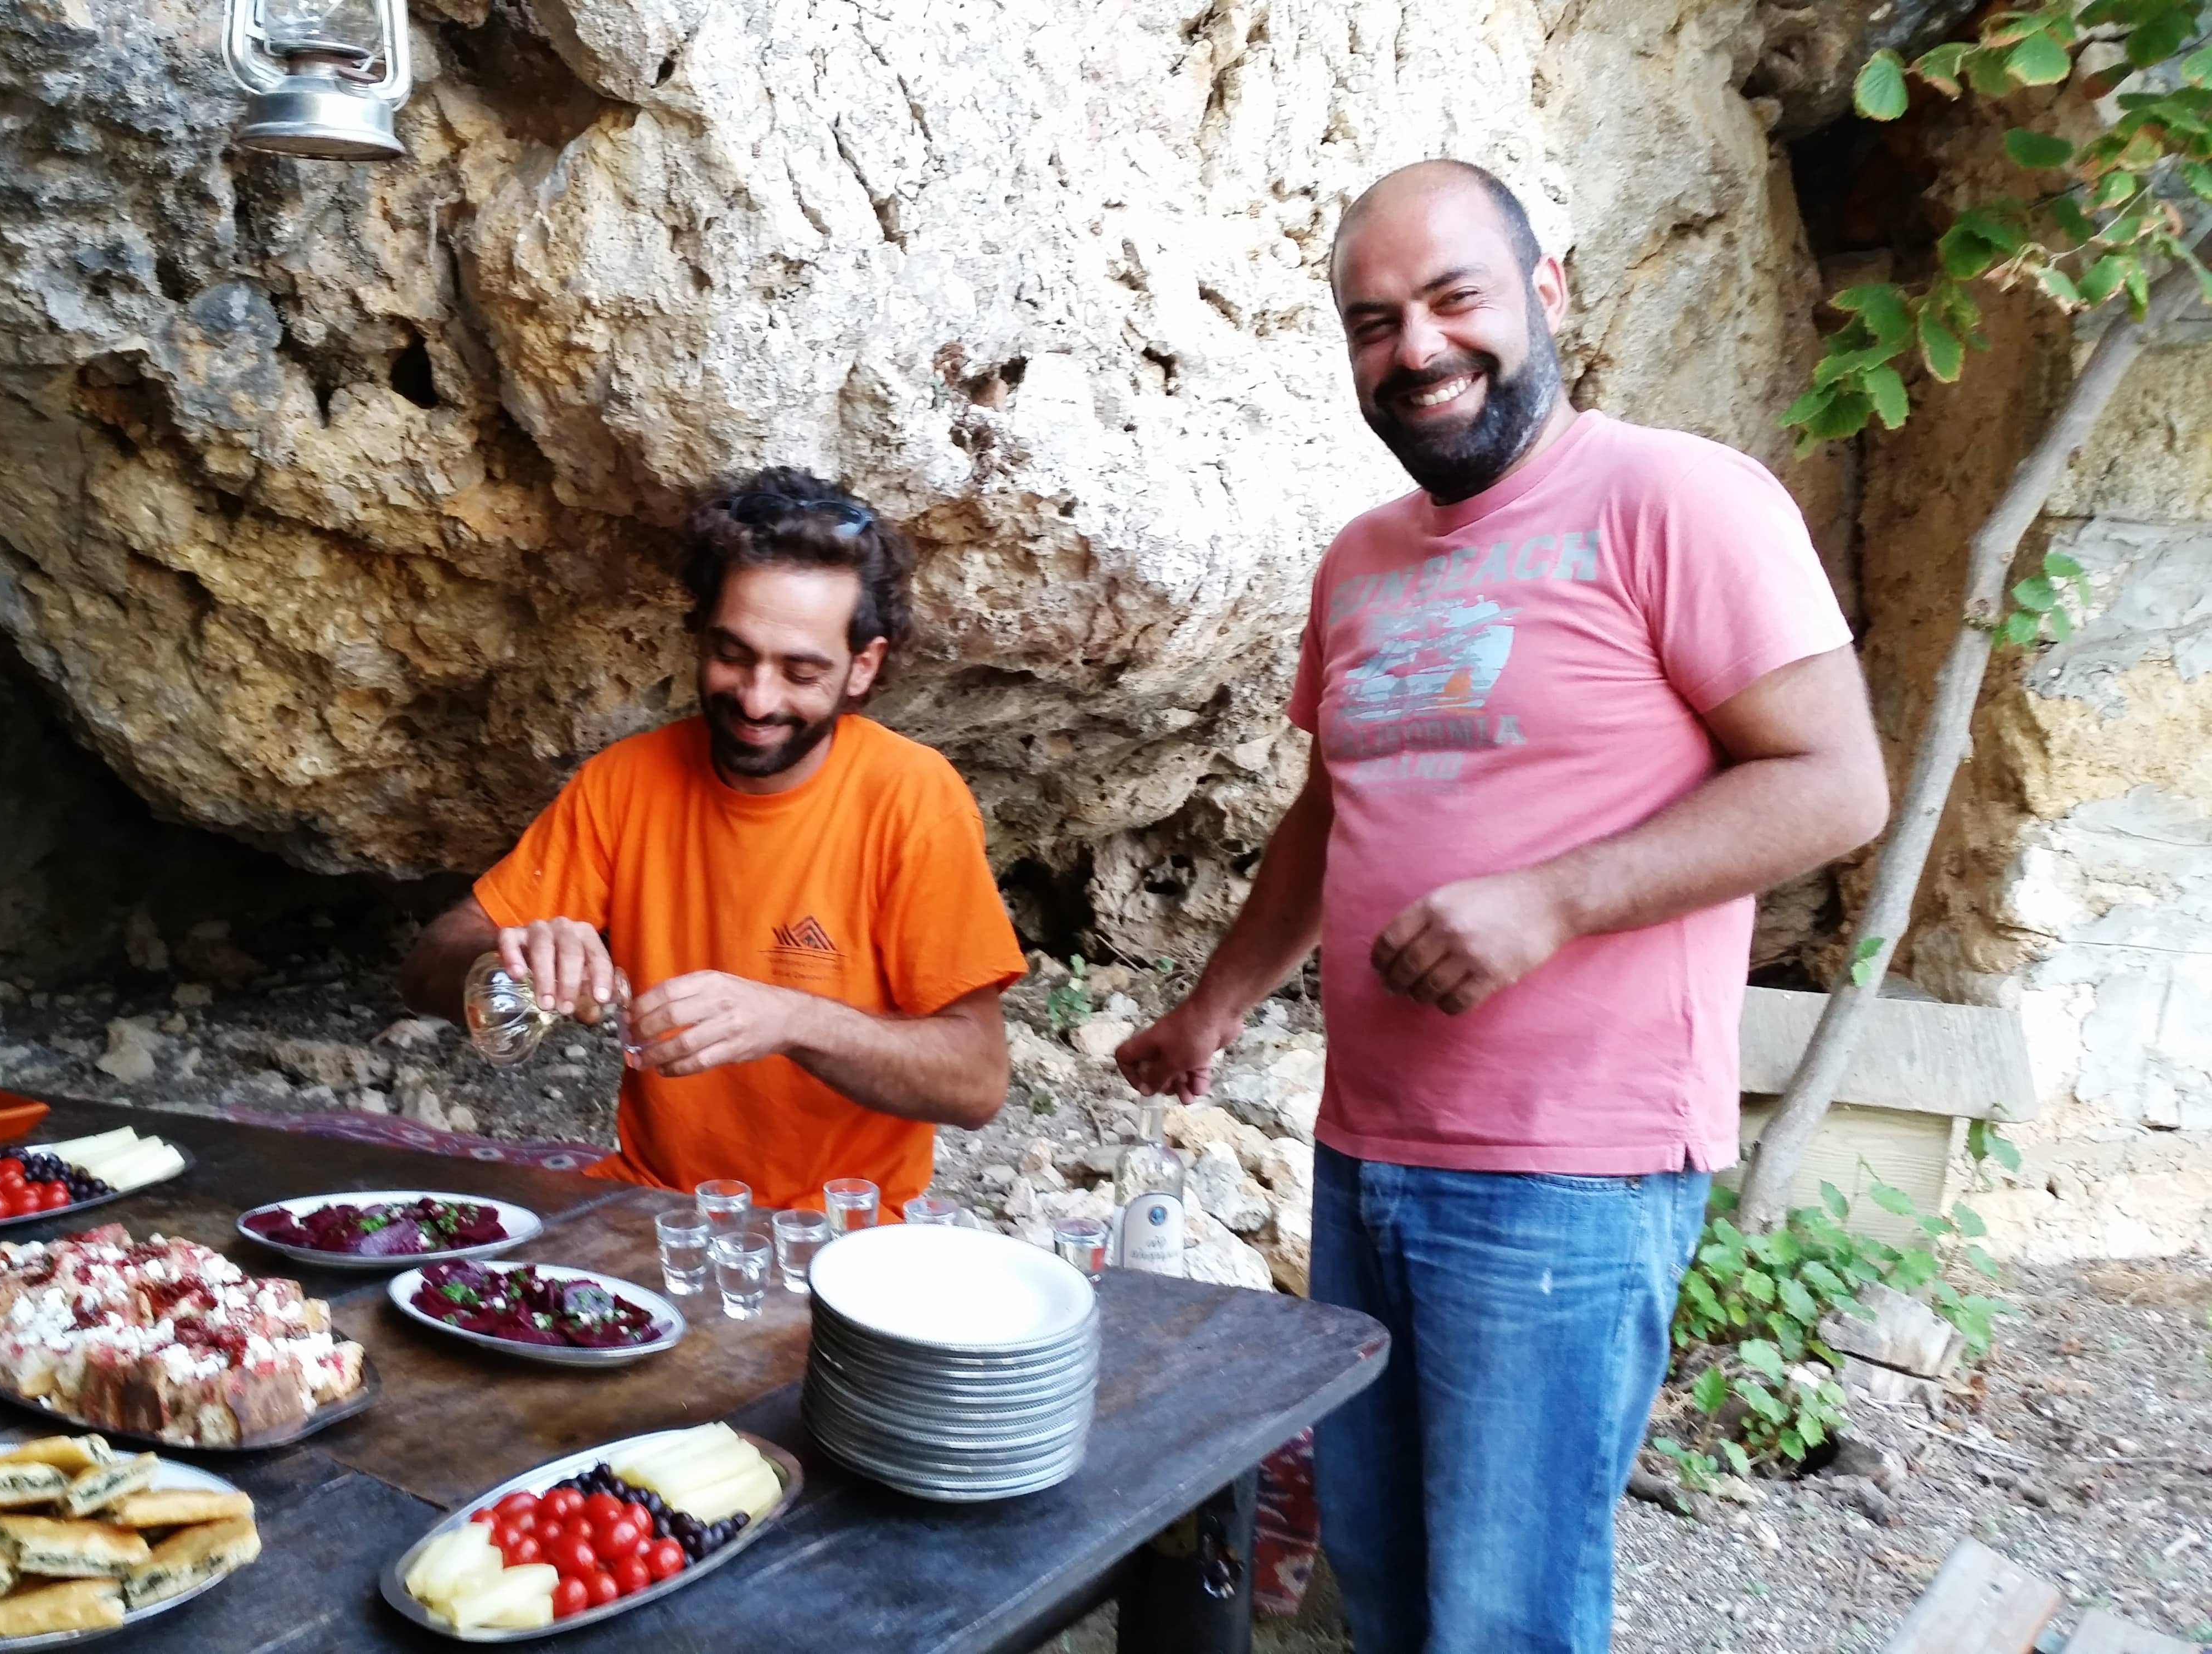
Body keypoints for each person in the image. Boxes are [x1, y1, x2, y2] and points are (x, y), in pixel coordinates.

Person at [1117, 160, 1891, 1653]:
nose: (1415, 347)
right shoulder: (1361, 562)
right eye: (1372, 320)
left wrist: (1556, 899)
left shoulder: (1676, 498)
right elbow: (1334, 808)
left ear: (1546, 293)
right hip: (1364, 1154)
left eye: (1454, 298)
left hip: (1568, 1179)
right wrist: (1212, 1006)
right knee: (1389, 1591)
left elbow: (1837, 783)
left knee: (1503, 1619)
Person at [398, 468, 1026, 1219]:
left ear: (864, 667)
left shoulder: (911, 799)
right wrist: (509, 961)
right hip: (652, 1208)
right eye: (733, 655)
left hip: (841, 1233)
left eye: (801, 671)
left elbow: (978, 1082)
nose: (758, 700)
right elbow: (430, 962)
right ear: (700, 634)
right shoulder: (627, 782)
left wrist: (794, 1020)